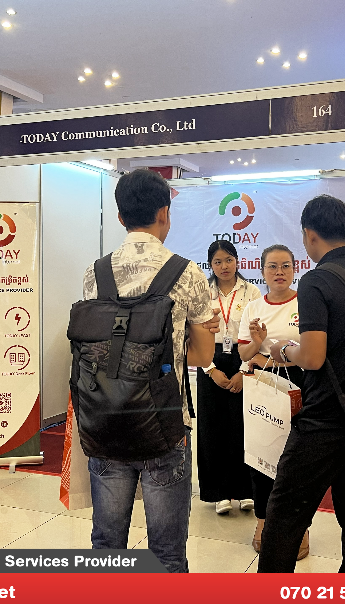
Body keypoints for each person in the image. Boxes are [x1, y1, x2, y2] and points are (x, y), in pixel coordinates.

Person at [81, 169, 218, 573]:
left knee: (106, 545)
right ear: (164, 213)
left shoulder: (95, 273)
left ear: (120, 217)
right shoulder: (186, 272)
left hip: (105, 418)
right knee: (166, 553)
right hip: (164, 423)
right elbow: (202, 357)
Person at [256, 194, 345, 573]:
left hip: (324, 417)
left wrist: (282, 349)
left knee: (284, 515)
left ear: (309, 234)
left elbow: (313, 357)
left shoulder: (316, 280)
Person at [237, 244, 307, 560]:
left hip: (300, 384)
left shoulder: (305, 303)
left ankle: (300, 527)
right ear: (262, 271)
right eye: (272, 266)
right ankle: (264, 520)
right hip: (262, 385)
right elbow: (243, 354)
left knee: (297, 458)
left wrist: (276, 356)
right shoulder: (253, 307)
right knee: (262, 454)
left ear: (295, 269)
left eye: (285, 266)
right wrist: (257, 341)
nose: (279, 272)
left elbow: (314, 351)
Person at [197, 240, 261, 514]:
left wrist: (244, 371)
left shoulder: (251, 292)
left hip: (243, 356)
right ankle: (219, 493)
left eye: (229, 260)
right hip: (209, 358)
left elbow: (257, 335)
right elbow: (195, 334)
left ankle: (246, 490)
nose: (224, 266)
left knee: (244, 427)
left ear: (237, 261)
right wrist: (211, 370)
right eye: (218, 261)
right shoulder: (203, 292)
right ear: (210, 265)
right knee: (212, 428)